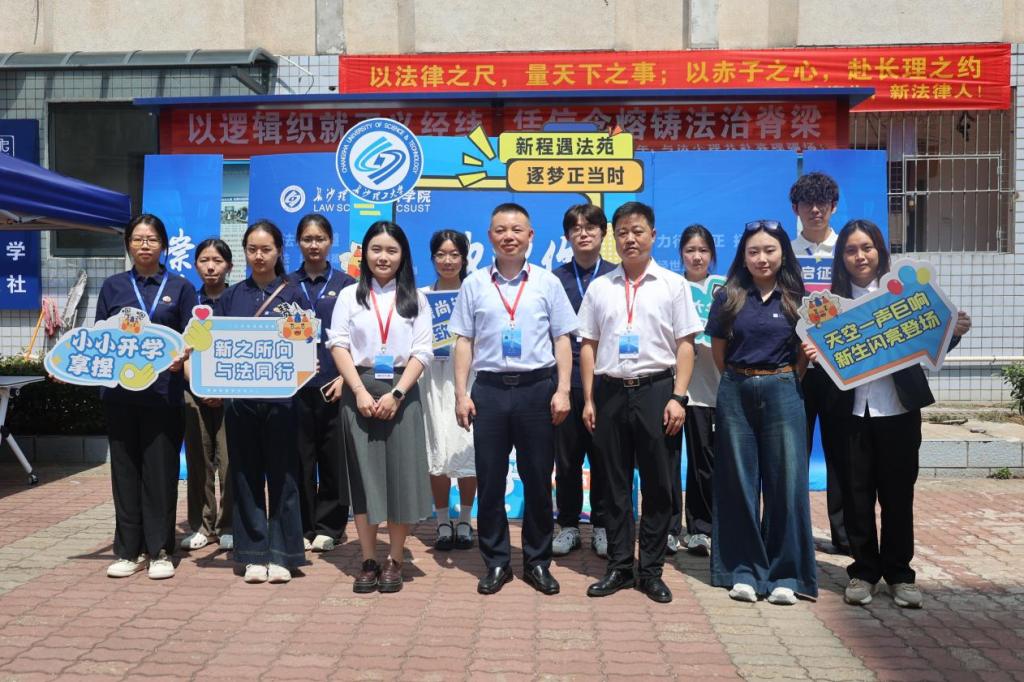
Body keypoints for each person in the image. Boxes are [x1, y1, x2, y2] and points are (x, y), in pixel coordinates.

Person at [806, 219, 971, 609]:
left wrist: (953, 332)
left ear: (880, 251)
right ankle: (863, 572)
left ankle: (900, 575)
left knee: (898, 495)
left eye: (866, 247)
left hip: (898, 411)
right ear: (841, 258)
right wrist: (815, 355)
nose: (860, 256)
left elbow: (928, 347)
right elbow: (822, 362)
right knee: (855, 495)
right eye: (851, 250)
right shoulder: (828, 307)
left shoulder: (904, 297)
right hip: (848, 415)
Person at [450, 202, 577, 596]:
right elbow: (464, 341)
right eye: (501, 230)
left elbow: (562, 339)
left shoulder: (547, 283)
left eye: (517, 229)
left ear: (530, 235)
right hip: (488, 390)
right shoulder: (474, 284)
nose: (509, 236)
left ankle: (537, 562)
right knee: (490, 480)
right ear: (490, 236)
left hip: (537, 389)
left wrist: (563, 390)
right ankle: (497, 562)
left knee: (538, 479)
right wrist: (460, 393)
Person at [579, 202, 701, 604]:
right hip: (610, 392)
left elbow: (686, 345)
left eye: (638, 231)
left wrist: (678, 397)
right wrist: (590, 398)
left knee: (658, 484)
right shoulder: (601, 287)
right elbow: (588, 345)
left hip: (657, 391)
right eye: (623, 233)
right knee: (612, 484)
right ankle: (619, 566)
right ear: (614, 239)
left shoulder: (672, 284)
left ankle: (650, 570)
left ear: (653, 235)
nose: (630, 239)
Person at [705, 219, 815, 605]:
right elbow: (719, 351)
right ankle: (743, 571)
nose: (762, 258)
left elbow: (804, 354)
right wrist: (743, 378)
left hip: (784, 389)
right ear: (743, 256)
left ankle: (786, 574)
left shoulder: (798, 298)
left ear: (783, 253)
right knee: (738, 481)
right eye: (754, 252)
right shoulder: (729, 296)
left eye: (769, 250)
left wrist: (784, 376)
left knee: (787, 483)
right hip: (736, 389)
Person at [327, 221, 433, 594]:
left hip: (403, 393)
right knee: (364, 478)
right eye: (376, 249)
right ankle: (369, 559)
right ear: (364, 254)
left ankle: (396, 559)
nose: (383, 257)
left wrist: (398, 394)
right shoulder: (348, 296)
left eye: (391, 250)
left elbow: (423, 351)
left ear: (403, 255)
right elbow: (338, 344)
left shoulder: (416, 298)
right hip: (360, 392)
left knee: (401, 477)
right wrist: (357, 390)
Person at [96, 213, 197, 580]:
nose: (144, 245)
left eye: (151, 239)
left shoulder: (181, 287)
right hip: (120, 396)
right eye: (137, 239)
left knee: (160, 474)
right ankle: (129, 550)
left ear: (163, 245)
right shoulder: (113, 287)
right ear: (128, 244)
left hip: (163, 397)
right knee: (124, 474)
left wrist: (184, 357)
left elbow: (193, 337)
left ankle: (160, 551)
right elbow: (99, 338)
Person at [214, 220, 308, 584]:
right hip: (241, 403)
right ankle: (253, 554)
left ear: (279, 252)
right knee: (245, 475)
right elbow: (214, 345)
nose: (258, 256)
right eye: (252, 249)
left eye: (266, 249)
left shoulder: (294, 294)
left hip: (283, 402)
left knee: (285, 476)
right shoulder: (232, 297)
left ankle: (284, 554)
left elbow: (307, 342)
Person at [288, 213, 356, 553]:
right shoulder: (286, 285)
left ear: (331, 242)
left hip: (334, 383)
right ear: (298, 242)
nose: (313, 245)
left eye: (320, 239)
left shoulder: (347, 285)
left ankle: (330, 527)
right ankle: (301, 525)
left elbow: (359, 335)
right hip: (294, 387)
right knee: (299, 458)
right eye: (307, 239)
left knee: (333, 460)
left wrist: (346, 377)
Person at [551, 204, 615, 558]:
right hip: (565, 380)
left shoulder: (616, 276)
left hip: (605, 379)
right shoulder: (554, 279)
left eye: (590, 226)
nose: (583, 233)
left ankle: (602, 525)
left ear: (603, 232)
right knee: (567, 459)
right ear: (567, 236)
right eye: (575, 227)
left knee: (605, 456)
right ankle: (569, 525)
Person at [791, 172, 849, 553]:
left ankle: (845, 536)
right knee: (792, 454)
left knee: (842, 454)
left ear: (833, 206)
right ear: (796, 209)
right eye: (807, 203)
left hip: (840, 368)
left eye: (822, 202)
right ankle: (792, 534)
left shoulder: (848, 250)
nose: (815, 209)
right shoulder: (784, 253)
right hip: (796, 368)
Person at [421, 230, 477, 552]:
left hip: (469, 379)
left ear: (464, 258)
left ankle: (466, 520)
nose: (448, 261)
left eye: (454, 254)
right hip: (431, 380)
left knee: (467, 447)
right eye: (441, 254)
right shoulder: (420, 297)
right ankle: (442, 521)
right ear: (432, 258)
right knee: (437, 448)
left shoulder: (476, 293)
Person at [668, 224, 722, 557]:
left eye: (703, 250)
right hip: (672, 390)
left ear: (712, 254)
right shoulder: (671, 288)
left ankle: (701, 529)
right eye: (690, 250)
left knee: (705, 462)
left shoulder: (724, 289)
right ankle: (668, 528)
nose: (697, 257)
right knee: (668, 462)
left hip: (709, 391)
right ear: (681, 255)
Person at [180, 238, 233, 553]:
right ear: (195, 264)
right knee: (199, 461)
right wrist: (200, 385)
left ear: (229, 265)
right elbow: (181, 348)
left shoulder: (237, 298)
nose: (211, 267)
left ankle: (229, 526)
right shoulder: (188, 299)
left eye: (217, 261)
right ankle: (202, 526)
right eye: (204, 260)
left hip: (231, 395)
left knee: (230, 461)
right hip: (193, 391)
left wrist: (223, 389)